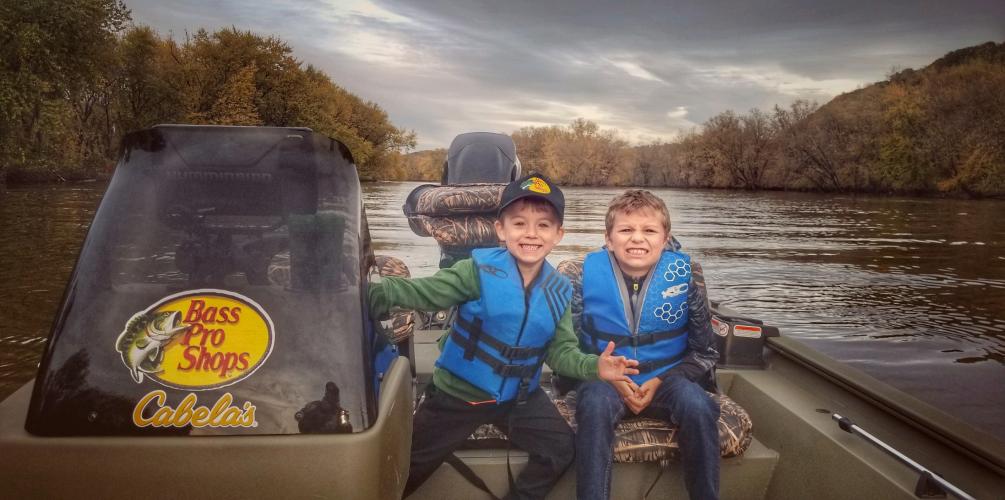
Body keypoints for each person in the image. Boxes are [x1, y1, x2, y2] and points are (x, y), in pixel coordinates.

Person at [368, 172, 639, 499]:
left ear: (558, 234)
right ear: (501, 229)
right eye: (519, 223)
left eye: (543, 225)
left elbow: (561, 353)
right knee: (405, 470)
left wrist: (596, 367)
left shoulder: (560, 290)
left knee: (560, 450)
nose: (531, 234)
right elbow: (426, 293)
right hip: (458, 395)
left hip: (519, 399)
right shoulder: (475, 270)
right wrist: (368, 294)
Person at [568, 189, 720, 500]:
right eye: (626, 230)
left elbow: (705, 353)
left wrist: (662, 379)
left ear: (665, 239)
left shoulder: (686, 278)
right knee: (594, 405)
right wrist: (604, 374)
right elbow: (567, 349)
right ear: (609, 239)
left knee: (698, 405)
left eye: (649, 230)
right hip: (605, 382)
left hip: (667, 380)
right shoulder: (582, 277)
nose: (637, 238)